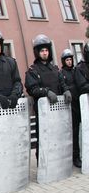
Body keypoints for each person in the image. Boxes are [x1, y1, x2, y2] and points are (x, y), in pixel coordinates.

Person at [25, 34, 72, 163]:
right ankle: (42, 161)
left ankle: (58, 160)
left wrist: (66, 90)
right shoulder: (33, 70)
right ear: (37, 52)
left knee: (58, 135)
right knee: (44, 136)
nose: (45, 53)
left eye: (46, 50)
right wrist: (46, 92)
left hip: (58, 109)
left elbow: (62, 83)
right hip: (43, 111)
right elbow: (31, 88)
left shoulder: (55, 68)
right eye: (42, 51)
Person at [60, 48, 81, 167]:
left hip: (79, 104)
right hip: (69, 107)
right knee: (74, 132)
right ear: (63, 61)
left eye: (70, 59)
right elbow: (62, 86)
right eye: (67, 60)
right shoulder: (61, 73)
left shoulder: (75, 71)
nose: (69, 62)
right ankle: (75, 156)